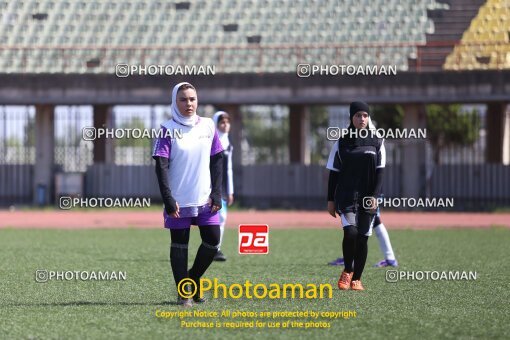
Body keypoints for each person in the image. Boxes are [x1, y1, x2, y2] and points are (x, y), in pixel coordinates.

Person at [153, 82, 223, 306]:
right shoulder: (166, 129)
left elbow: (217, 159)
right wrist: (168, 199)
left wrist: (217, 192)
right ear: (175, 102)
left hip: (205, 199)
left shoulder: (209, 126)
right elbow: (160, 166)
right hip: (179, 201)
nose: (189, 103)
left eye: (192, 99)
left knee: (213, 240)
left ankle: (192, 279)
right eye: (183, 99)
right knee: (180, 245)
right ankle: (184, 294)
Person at [326, 101, 386, 291]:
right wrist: (330, 199)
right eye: (358, 115)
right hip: (346, 195)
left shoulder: (377, 141)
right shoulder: (342, 142)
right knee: (350, 232)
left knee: (362, 238)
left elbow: (381, 172)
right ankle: (347, 270)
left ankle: (357, 279)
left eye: (365, 115)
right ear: (351, 118)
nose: (362, 119)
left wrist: (375, 196)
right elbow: (333, 172)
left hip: (369, 197)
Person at [328, 207, 398, 267]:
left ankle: (350, 258)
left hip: (369, 194)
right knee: (374, 219)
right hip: (369, 194)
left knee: (367, 217)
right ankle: (390, 258)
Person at [212, 111, 234, 262]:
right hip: (212, 184)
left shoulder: (229, 144)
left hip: (224, 186)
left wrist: (231, 190)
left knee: (222, 216)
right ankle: (211, 247)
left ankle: (216, 248)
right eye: (222, 122)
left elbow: (229, 168)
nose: (225, 125)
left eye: (227, 122)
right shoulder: (211, 142)